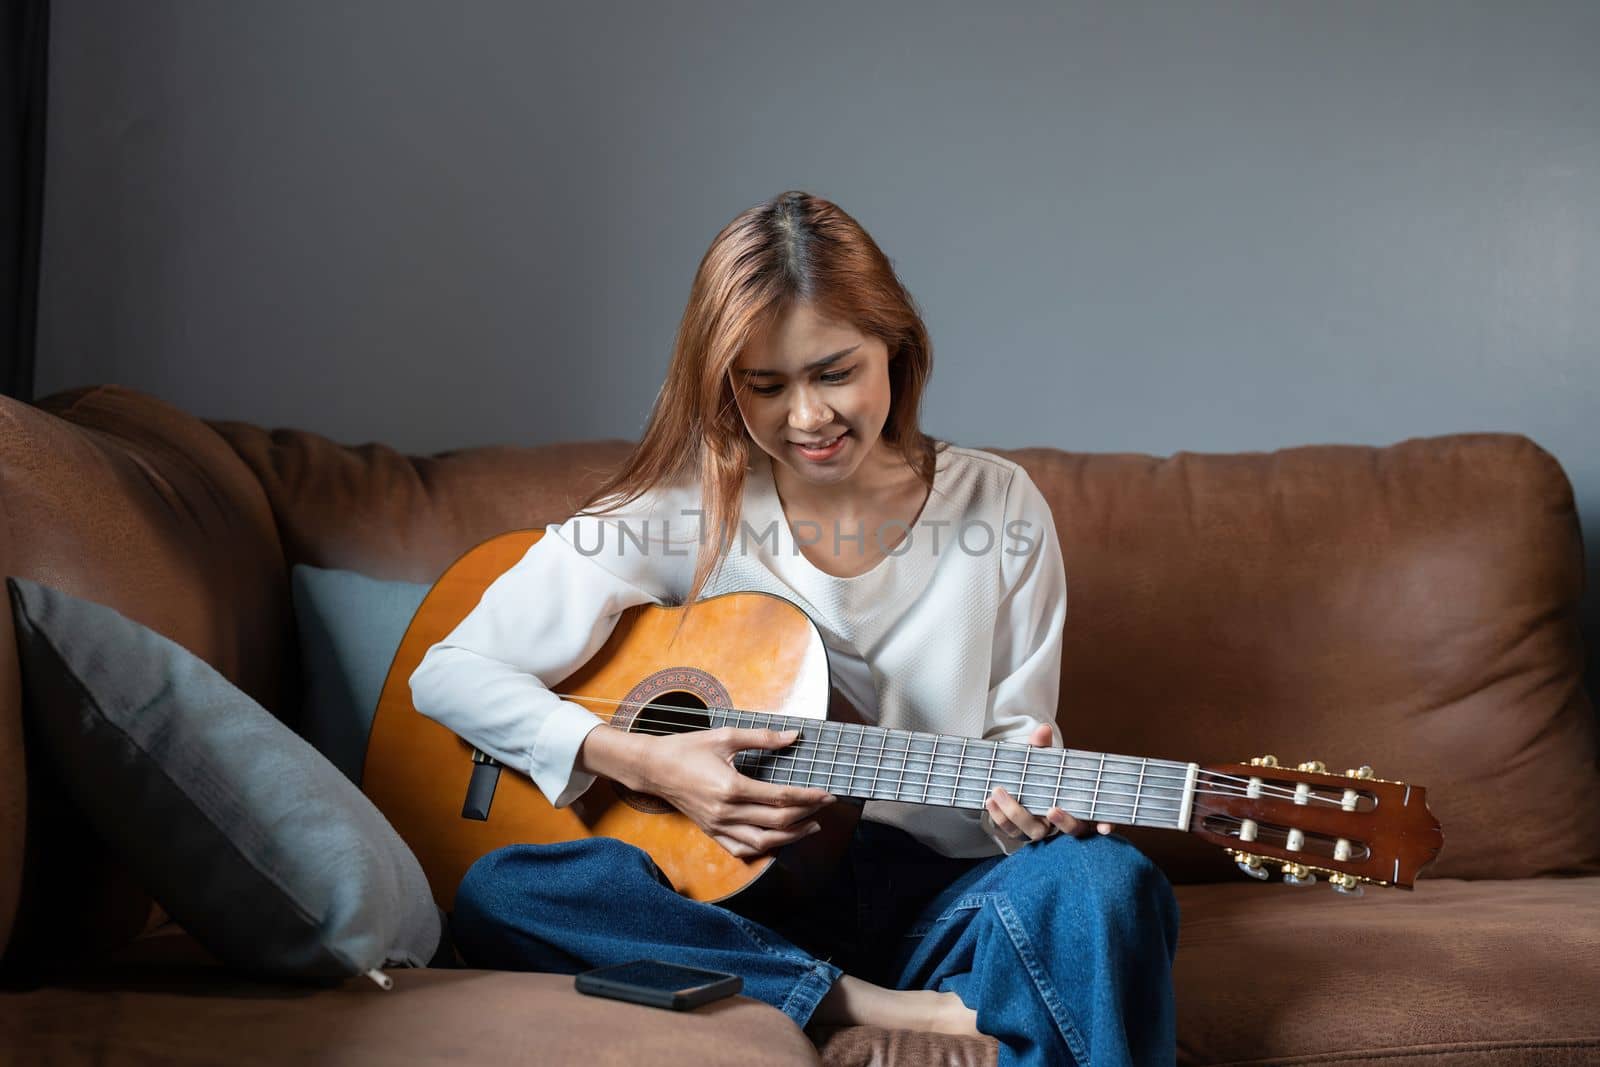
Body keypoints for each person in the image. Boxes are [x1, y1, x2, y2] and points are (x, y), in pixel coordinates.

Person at [408, 190, 1179, 1066]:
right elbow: (448, 672)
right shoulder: (675, 512)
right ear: (724, 382)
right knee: (501, 890)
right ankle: (871, 1003)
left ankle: (830, 992)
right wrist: (641, 758)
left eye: (835, 371)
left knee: (1107, 883)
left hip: (935, 896)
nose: (806, 417)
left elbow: (1010, 757)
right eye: (765, 385)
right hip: (721, 909)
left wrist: (1028, 811)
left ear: (897, 345)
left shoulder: (996, 506)